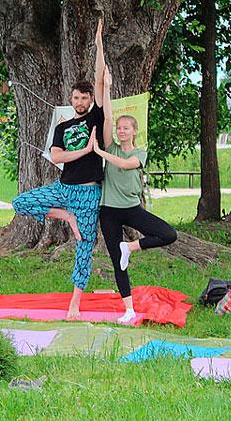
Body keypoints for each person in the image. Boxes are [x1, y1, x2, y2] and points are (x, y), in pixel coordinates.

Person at [11, 18, 107, 319]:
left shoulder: (96, 119)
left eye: (84, 97)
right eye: (76, 97)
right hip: (63, 190)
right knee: (20, 202)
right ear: (71, 99)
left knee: (84, 245)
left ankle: (74, 304)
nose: (80, 101)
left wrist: (98, 43)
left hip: (88, 193)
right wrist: (85, 150)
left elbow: (101, 79)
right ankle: (66, 217)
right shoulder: (64, 125)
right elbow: (56, 157)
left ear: (90, 100)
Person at [92, 65, 177, 324]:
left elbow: (126, 165)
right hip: (108, 210)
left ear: (134, 132)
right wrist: (106, 88)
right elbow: (106, 117)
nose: (120, 131)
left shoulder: (138, 153)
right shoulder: (112, 144)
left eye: (125, 128)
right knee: (118, 261)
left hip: (130, 208)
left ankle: (130, 246)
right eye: (119, 128)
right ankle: (128, 309)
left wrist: (100, 153)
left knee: (168, 234)